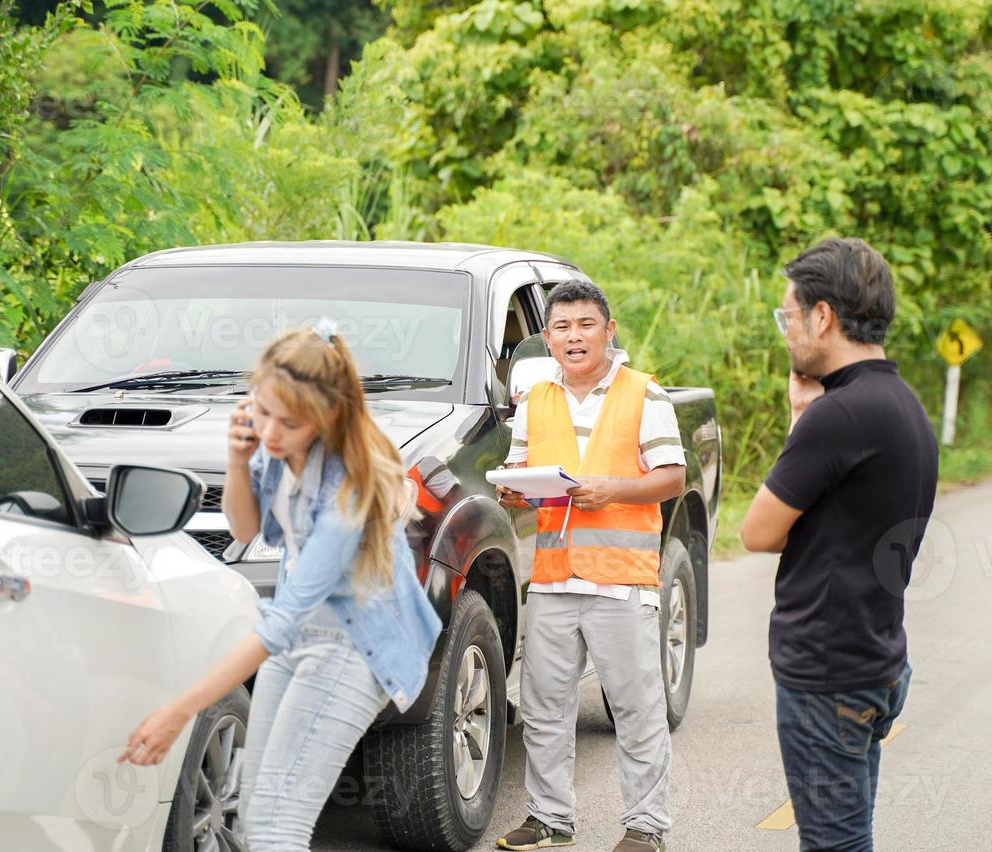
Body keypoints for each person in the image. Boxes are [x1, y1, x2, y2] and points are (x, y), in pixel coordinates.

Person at [120, 321, 442, 851]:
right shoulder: (275, 448)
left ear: (327, 416)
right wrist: (238, 461)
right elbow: (249, 531)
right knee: (253, 816)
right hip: (299, 642)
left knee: (278, 826)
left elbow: (279, 619)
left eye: (287, 423)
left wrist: (180, 710)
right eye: (262, 411)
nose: (269, 431)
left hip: (353, 650)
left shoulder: (349, 490)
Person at [739, 238, 939, 852]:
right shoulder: (903, 405)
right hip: (875, 657)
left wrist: (801, 419)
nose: (787, 332)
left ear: (822, 316)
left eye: (789, 316)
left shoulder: (840, 416)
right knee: (850, 838)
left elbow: (757, 532)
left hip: (827, 673)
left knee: (833, 846)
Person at [493, 280, 686, 852]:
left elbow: (671, 476)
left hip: (621, 580)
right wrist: (515, 492)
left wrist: (613, 489)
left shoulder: (643, 395)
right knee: (545, 708)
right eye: (562, 327)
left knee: (636, 709)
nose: (574, 337)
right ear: (547, 338)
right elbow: (519, 470)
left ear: (609, 330)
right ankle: (549, 820)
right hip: (554, 579)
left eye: (585, 325)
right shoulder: (537, 401)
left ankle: (645, 828)